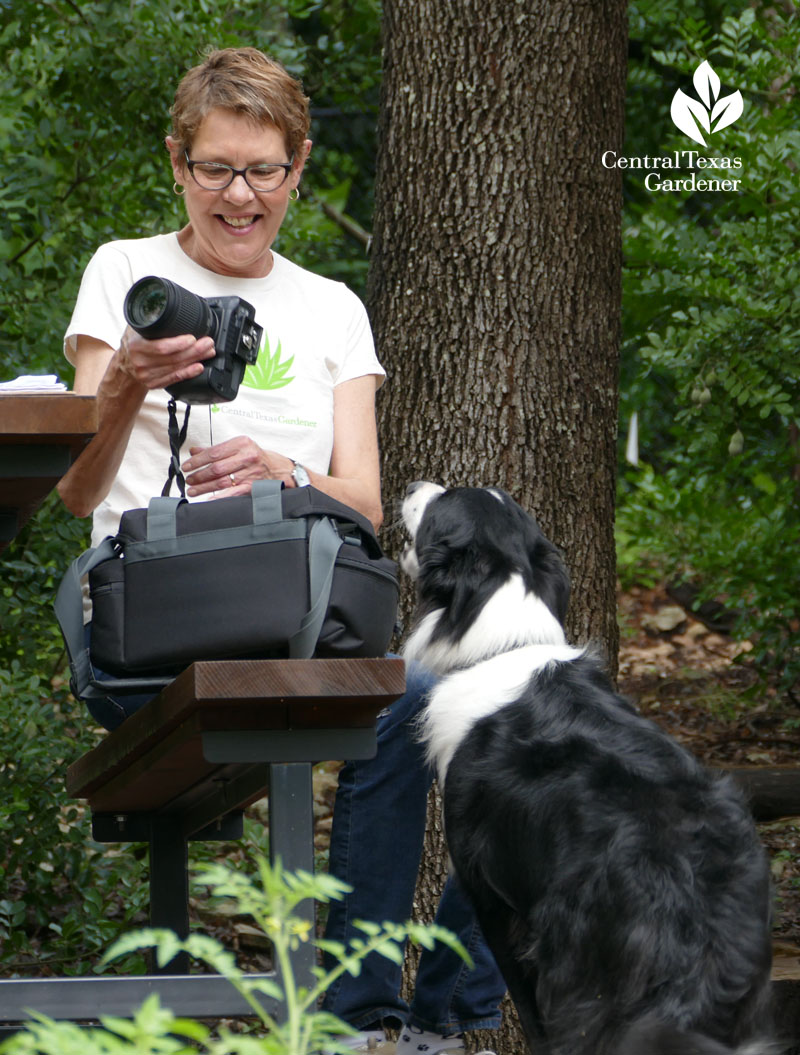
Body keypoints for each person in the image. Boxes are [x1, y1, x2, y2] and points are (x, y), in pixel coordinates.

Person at [57, 47, 505, 1055]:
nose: (238, 194)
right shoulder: (125, 274)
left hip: (291, 626)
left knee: (475, 704)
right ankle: (360, 1012)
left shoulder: (331, 307)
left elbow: (363, 499)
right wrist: (126, 382)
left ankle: (413, 1013)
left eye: (262, 169)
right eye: (215, 167)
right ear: (176, 162)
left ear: (298, 169)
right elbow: (76, 490)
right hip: (147, 640)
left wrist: (281, 475)